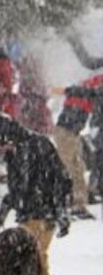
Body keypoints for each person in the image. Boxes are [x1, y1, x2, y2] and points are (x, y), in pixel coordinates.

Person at [0, 113, 72, 275]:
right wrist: (3, 209)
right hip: (28, 213)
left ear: (6, 135)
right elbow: (18, 188)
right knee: (33, 264)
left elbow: (61, 180)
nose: (1, 149)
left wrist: (60, 210)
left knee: (30, 264)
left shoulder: (37, 146)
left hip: (42, 213)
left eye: (1, 144)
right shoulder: (15, 150)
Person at [49, 75, 102, 220]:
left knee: (78, 169)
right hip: (65, 132)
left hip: (74, 133)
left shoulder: (87, 89)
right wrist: (65, 90)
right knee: (67, 169)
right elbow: (89, 92)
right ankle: (60, 205)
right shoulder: (88, 89)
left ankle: (78, 205)